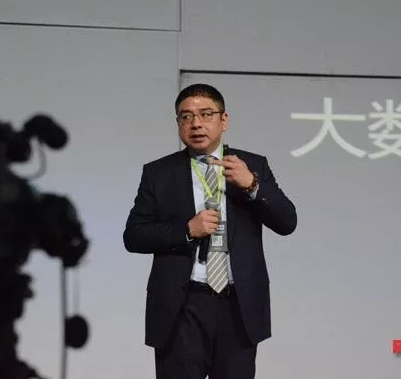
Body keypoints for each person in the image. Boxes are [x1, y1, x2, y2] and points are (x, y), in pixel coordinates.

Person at [123, 83, 297, 379]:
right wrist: (186, 230)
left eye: (206, 114)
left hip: (238, 306)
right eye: (186, 116)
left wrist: (252, 185)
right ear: (178, 123)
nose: (196, 124)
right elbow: (134, 236)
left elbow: (287, 222)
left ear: (223, 120)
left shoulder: (252, 165)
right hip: (182, 306)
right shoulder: (159, 173)